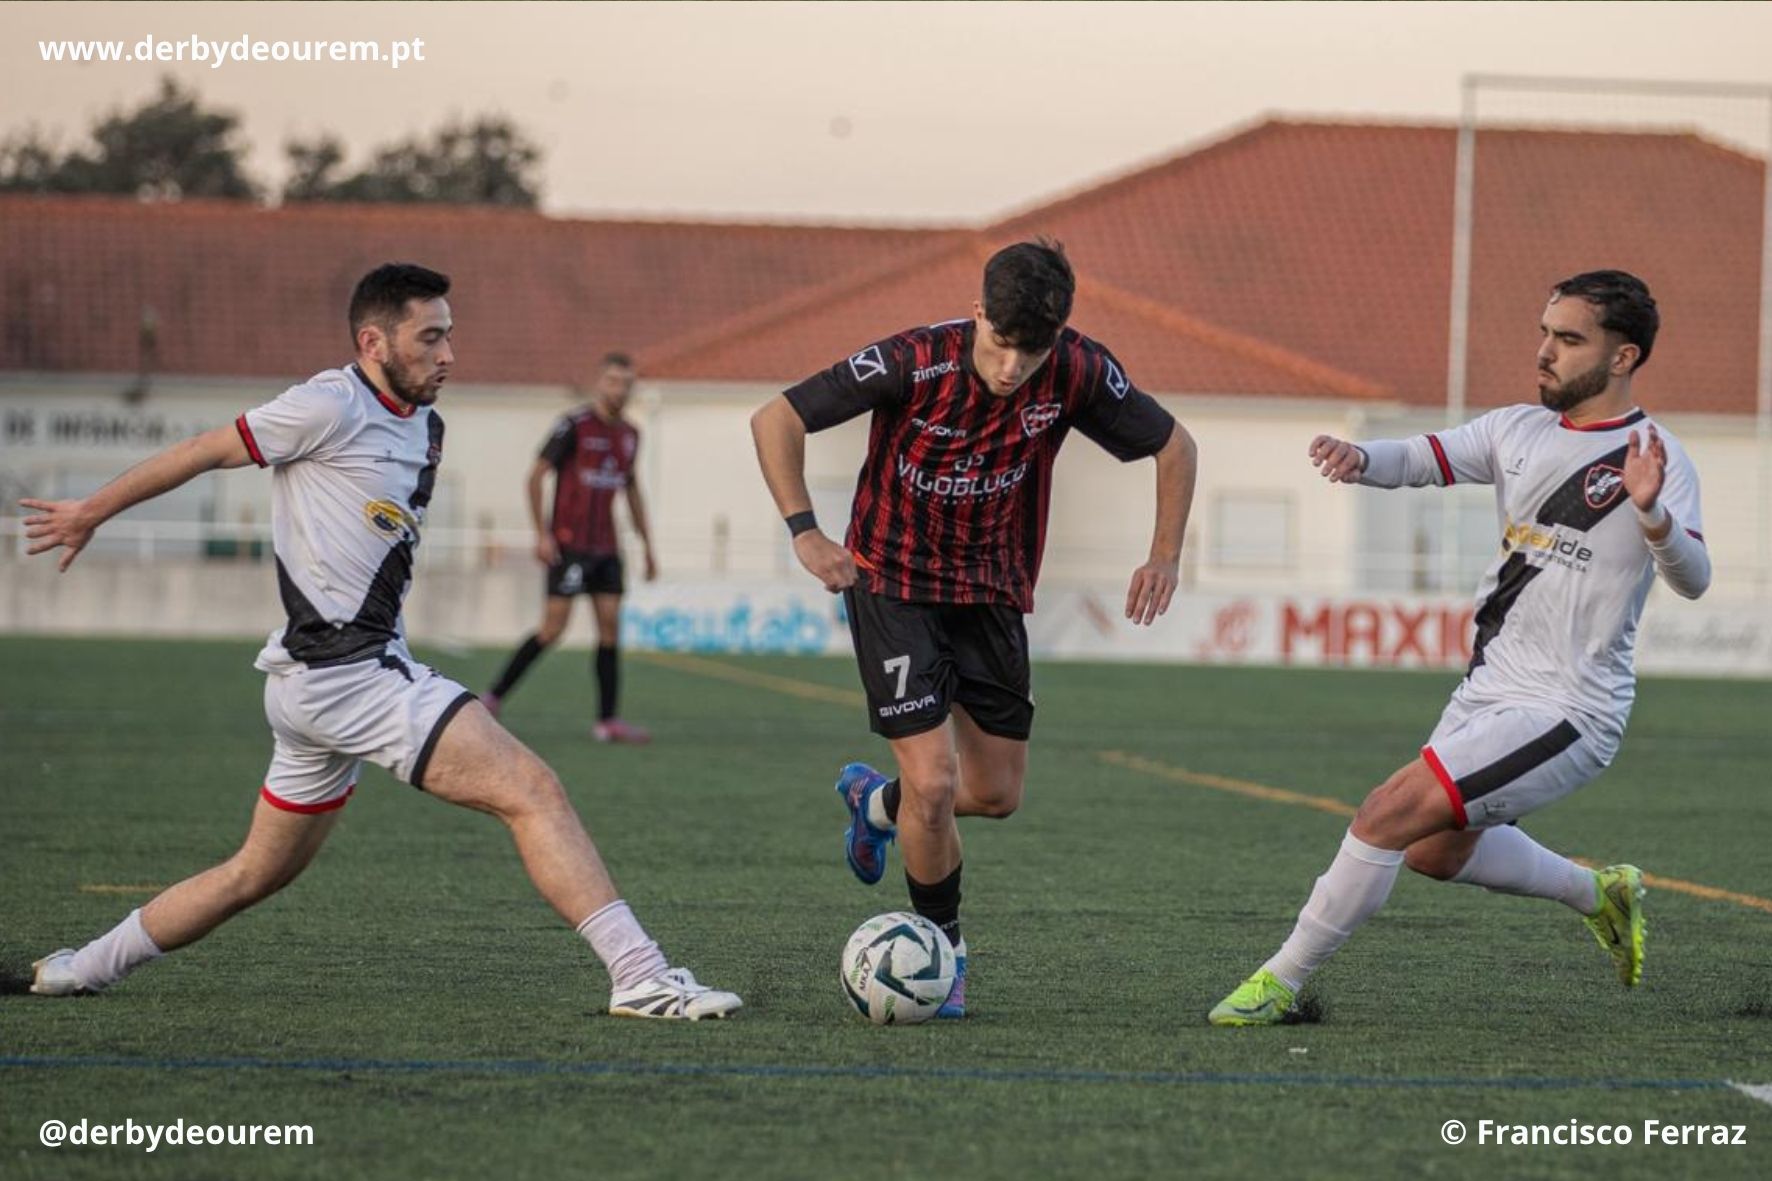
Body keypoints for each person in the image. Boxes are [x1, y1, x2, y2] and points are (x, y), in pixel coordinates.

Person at [20, 264, 739, 1021]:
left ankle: (80, 968)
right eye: (429, 338)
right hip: (347, 674)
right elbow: (205, 448)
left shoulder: (426, 426)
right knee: (533, 791)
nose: (448, 354)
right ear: (373, 342)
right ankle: (641, 976)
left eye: (449, 336)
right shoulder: (328, 402)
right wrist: (91, 511)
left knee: (254, 872)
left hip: (314, 685)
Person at [1210, 270, 1710, 1026]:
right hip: (1490, 688)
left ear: (1623, 357)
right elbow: (1423, 457)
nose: (1545, 351)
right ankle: (1597, 892)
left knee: (1385, 812)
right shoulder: (1517, 429)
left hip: (1569, 708)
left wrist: (1653, 515)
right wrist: (1360, 458)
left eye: (1568, 339)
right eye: (1544, 333)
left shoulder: (1657, 456)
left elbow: (1694, 578)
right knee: (1431, 851)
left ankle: (1279, 981)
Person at [751, 239, 1198, 1017]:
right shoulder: (913, 361)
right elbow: (777, 417)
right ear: (978, 312)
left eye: (1033, 352)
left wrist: (1164, 555)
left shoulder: (1077, 368)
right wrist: (804, 529)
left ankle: (875, 805)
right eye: (1001, 344)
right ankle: (945, 952)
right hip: (891, 583)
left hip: (990, 591)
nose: (1013, 367)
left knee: (993, 794)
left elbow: (1174, 445)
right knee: (934, 784)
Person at [483, 352, 657, 743]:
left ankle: (607, 720)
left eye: (626, 383)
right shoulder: (573, 425)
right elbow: (536, 476)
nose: (620, 390)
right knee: (552, 628)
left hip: (607, 548)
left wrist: (647, 546)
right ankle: (493, 697)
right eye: (613, 381)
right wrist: (542, 534)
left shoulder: (631, 435)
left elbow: (632, 489)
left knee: (610, 629)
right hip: (570, 545)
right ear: (599, 383)